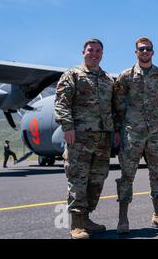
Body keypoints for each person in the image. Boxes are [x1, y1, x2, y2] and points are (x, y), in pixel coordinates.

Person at [54, 38, 115, 239]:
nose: (94, 54)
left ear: (102, 54)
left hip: (103, 140)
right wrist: (68, 127)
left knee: (96, 181)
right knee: (78, 180)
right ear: (83, 52)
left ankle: (87, 219)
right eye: (91, 50)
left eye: (98, 51)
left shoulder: (107, 79)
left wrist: (114, 132)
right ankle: (76, 225)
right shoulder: (72, 75)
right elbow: (62, 103)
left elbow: (112, 109)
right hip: (79, 138)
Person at [114, 37, 158, 234]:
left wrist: (153, 120)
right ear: (136, 52)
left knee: (157, 174)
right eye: (141, 49)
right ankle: (123, 218)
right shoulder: (125, 76)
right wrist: (131, 122)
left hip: (155, 133)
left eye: (148, 49)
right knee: (127, 175)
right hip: (133, 134)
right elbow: (119, 103)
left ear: (153, 52)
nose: (145, 52)